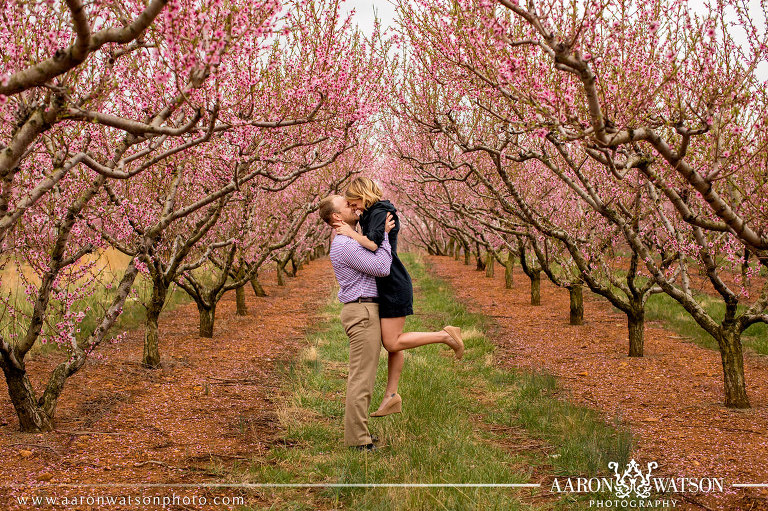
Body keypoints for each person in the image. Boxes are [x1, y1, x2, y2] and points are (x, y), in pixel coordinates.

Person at [333, 177, 464, 418]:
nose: (353, 208)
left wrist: (351, 234)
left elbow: (373, 244)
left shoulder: (381, 212)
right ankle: (391, 396)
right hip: (385, 284)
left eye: (353, 203)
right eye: (350, 205)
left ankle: (445, 335)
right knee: (394, 340)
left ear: (362, 195)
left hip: (392, 282)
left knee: (392, 342)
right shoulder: (372, 213)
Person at [318, 194, 396, 450]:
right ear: (337, 217)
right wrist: (384, 235)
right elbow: (383, 266)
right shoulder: (345, 245)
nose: (353, 206)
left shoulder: (351, 240)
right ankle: (357, 441)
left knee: (364, 377)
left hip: (364, 308)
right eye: (346, 205)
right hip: (362, 311)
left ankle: (359, 432)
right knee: (361, 379)